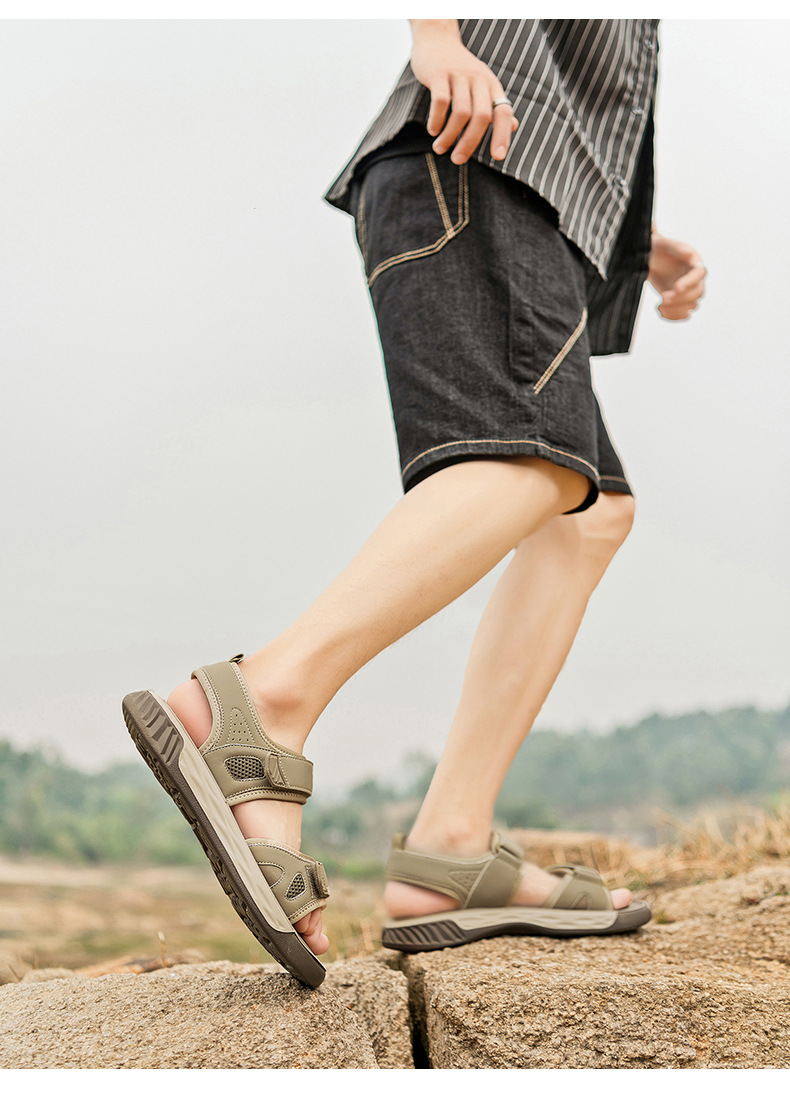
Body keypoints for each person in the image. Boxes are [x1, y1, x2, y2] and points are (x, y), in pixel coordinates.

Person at [123, 18, 706, 988]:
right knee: (530, 467)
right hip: (474, 164)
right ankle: (265, 701)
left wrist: (627, 239)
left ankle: (451, 848)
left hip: (528, 196)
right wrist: (437, 34)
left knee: (592, 510)